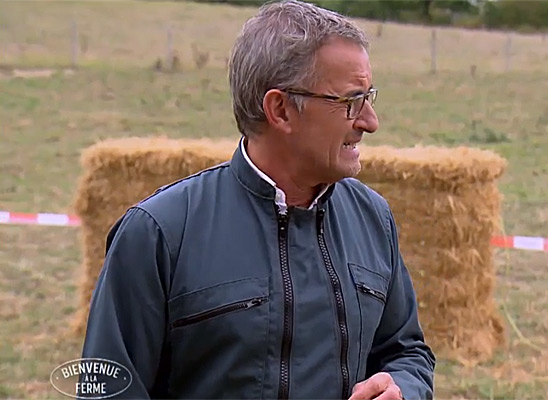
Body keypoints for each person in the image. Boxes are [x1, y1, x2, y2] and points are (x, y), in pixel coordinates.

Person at [79, 0, 436, 399]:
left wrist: (403, 387)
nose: (370, 121)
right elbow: (107, 391)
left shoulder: (372, 217)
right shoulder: (159, 233)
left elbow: (406, 352)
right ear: (280, 110)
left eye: (370, 96)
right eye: (351, 101)